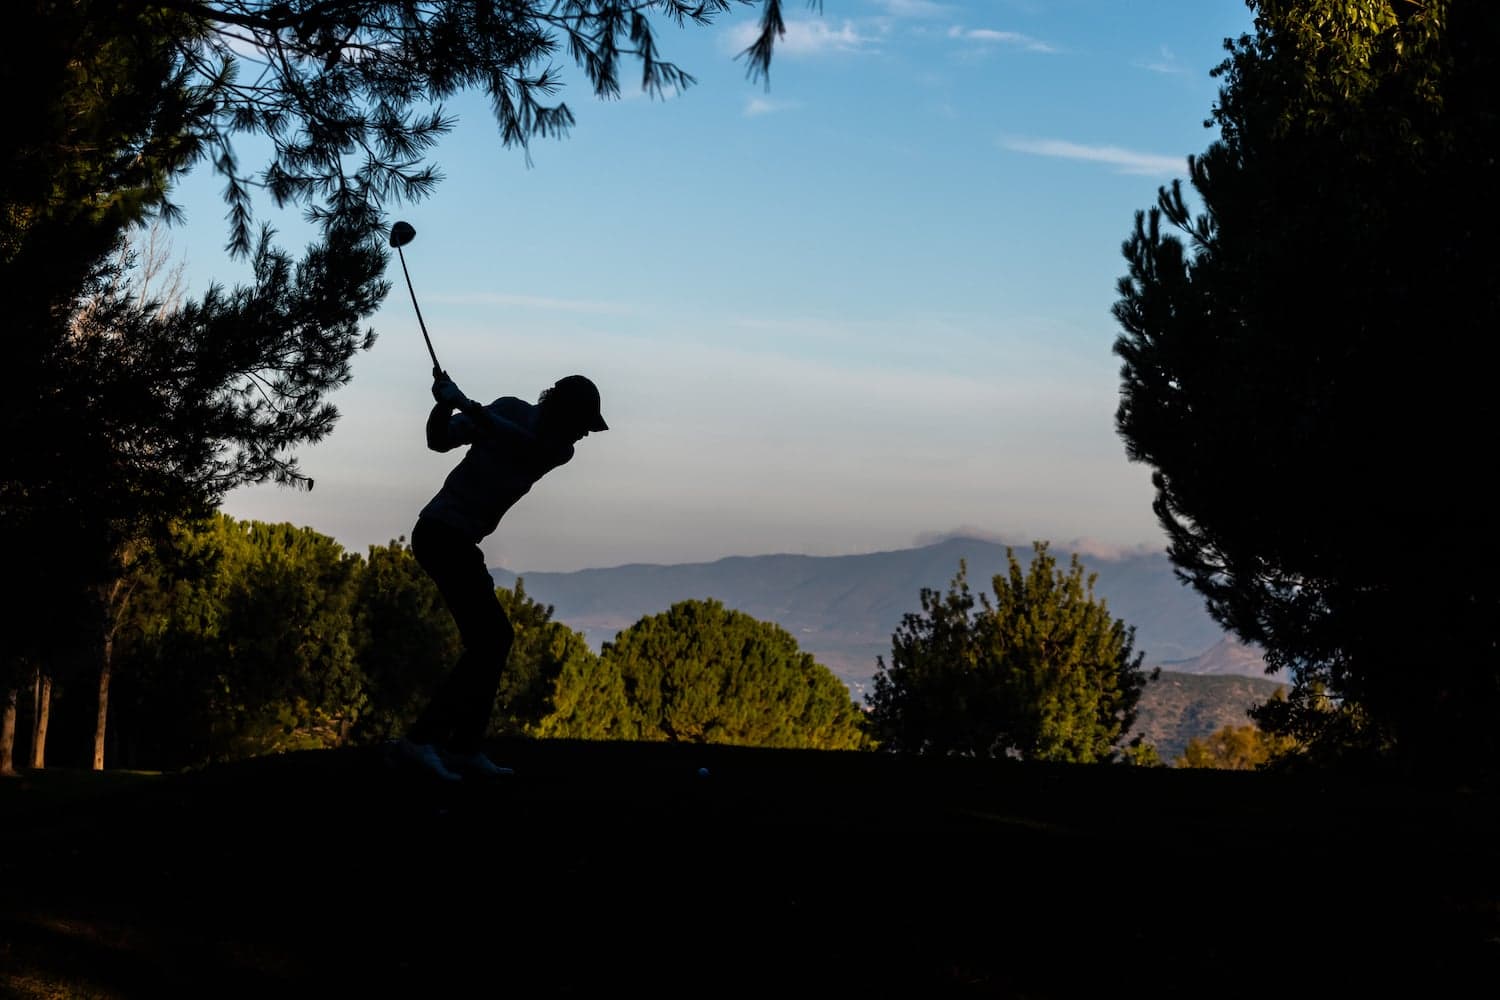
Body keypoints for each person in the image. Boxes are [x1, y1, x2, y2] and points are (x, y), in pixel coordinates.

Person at [392, 369, 607, 781]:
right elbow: (439, 441)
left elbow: (516, 440)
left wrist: (462, 400)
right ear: (562, 411)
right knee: (491, 639)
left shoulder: (556, 449)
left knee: (491, 640)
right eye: (582, 424)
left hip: (460, 541)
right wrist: (442, 404)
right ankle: (423, 743)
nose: (583, 435)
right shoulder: (509, 409)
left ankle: (461, 747)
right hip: (439, 533)